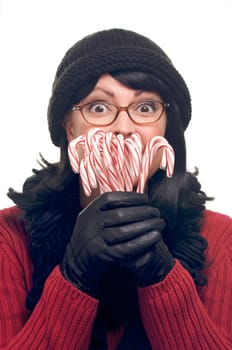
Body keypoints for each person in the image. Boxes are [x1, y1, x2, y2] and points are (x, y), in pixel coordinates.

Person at [0, 28, 231, 350]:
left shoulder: (221, 238)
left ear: (167, 125)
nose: (124, 128)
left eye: (146, 107)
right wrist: (74, 275)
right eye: (99, 107)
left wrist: (162, 276)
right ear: (68, 126)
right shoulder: (8, 237)